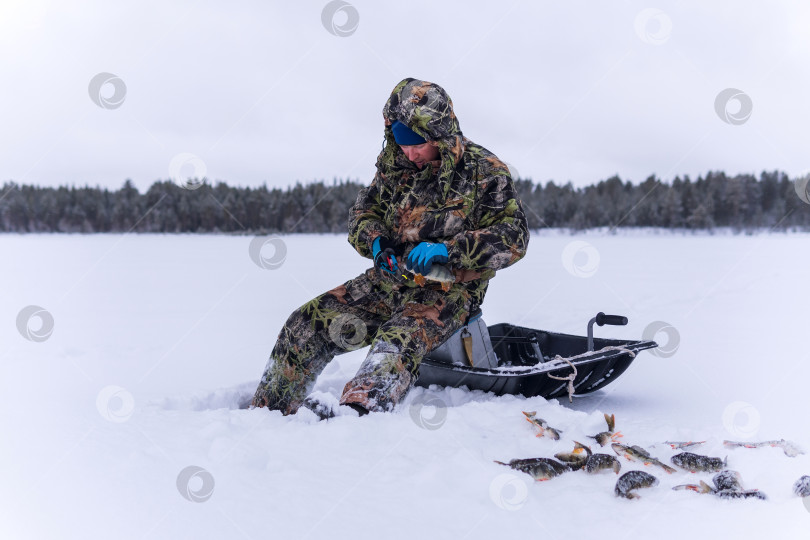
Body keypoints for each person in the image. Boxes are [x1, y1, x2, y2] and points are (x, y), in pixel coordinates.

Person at [251, 78, 529, 416]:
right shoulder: (395, 165)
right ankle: (268, 413)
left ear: (439, 133)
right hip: (389, 280)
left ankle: (354, 421)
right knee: (307, 324)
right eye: (401, 141)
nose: (410, 153)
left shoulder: (484, 171)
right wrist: (377, 242)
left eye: (418, 144)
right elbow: (363, 212)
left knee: (392, 347)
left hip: (448, 291)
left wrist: (450, 251)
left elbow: (514, 237)